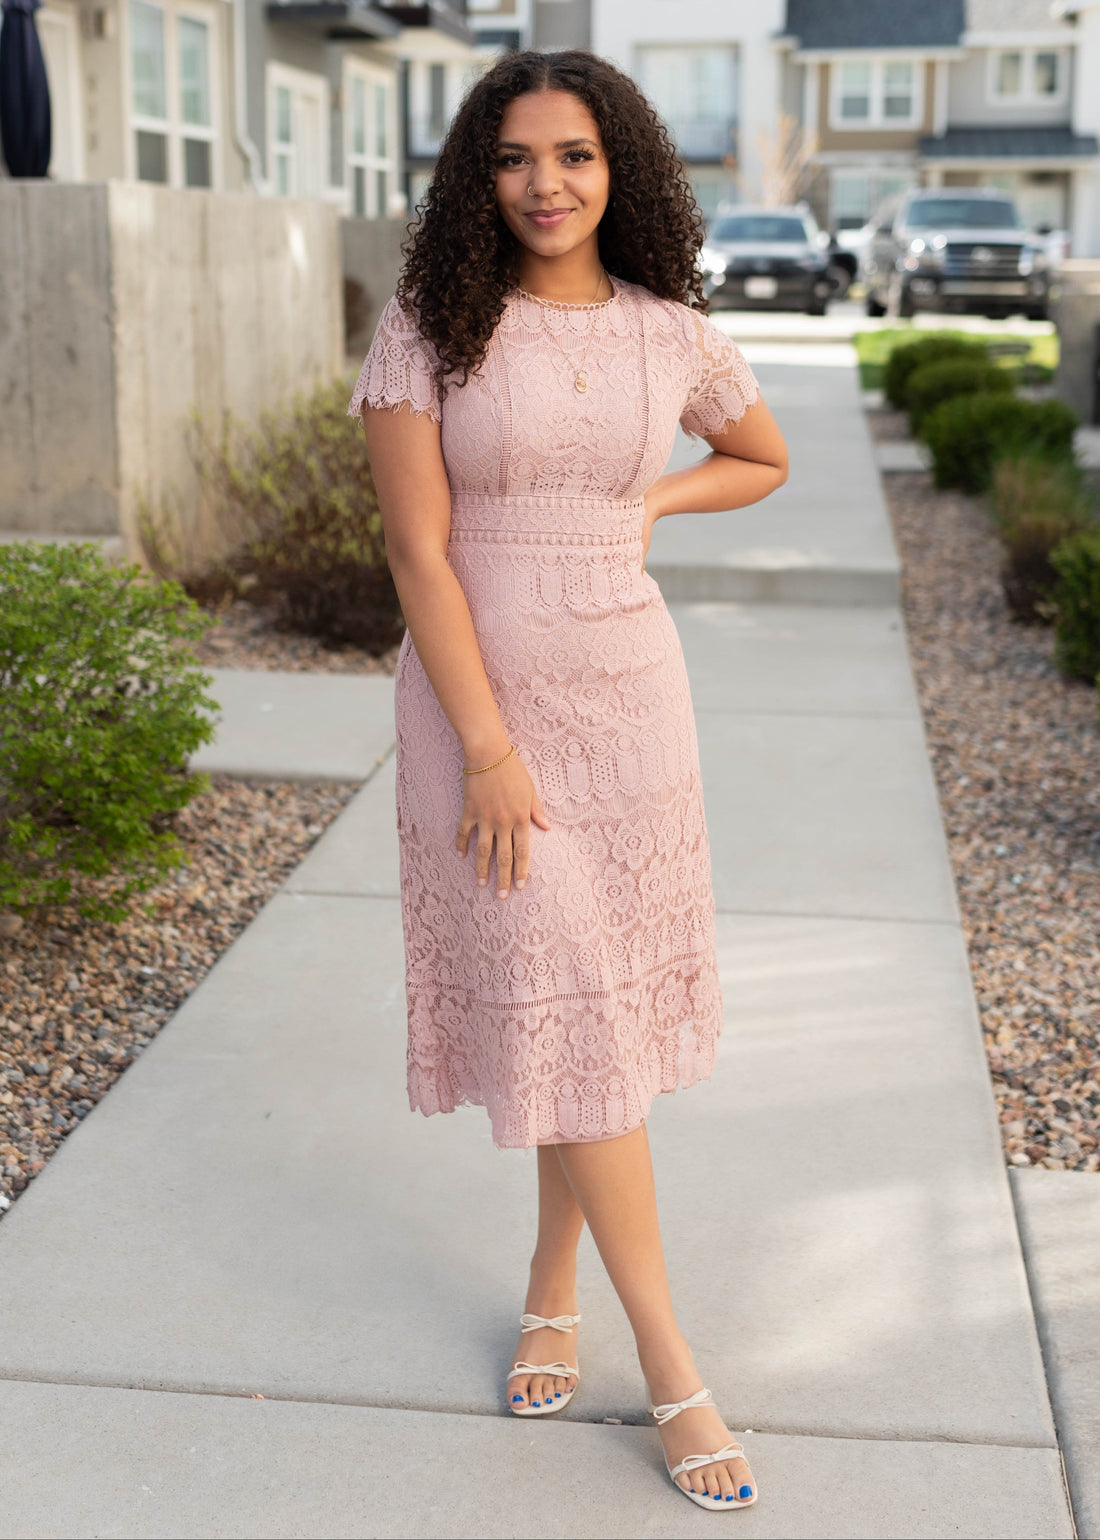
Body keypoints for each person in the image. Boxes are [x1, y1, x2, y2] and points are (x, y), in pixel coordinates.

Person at [348, 48, 788, 1513]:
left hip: (631, 702)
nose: (547, 183)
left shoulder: (669, 331)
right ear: (480, 175)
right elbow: (417, 555)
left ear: (622, 168)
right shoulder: (430, 326)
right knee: (570, 993)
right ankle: (673, 1365)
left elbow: (761, 454)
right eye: (515, 157)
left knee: (583, 1016)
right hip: (482, 715)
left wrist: (651, 497)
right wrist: (486, 748)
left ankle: (554, 1281)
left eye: (577, 155)